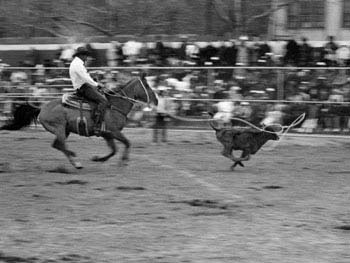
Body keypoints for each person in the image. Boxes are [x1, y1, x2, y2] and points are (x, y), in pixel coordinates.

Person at [69, 46, 107, 136]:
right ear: (81, 55)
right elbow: (85, 77)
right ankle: (97, 126)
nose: (87, 57)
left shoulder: (77, 63)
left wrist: (94, 81)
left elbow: (85, 75)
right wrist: (97, 84)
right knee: (103, 101)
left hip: (84, 86)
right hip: (83, 88)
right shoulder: (78, 64)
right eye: (86, 55)